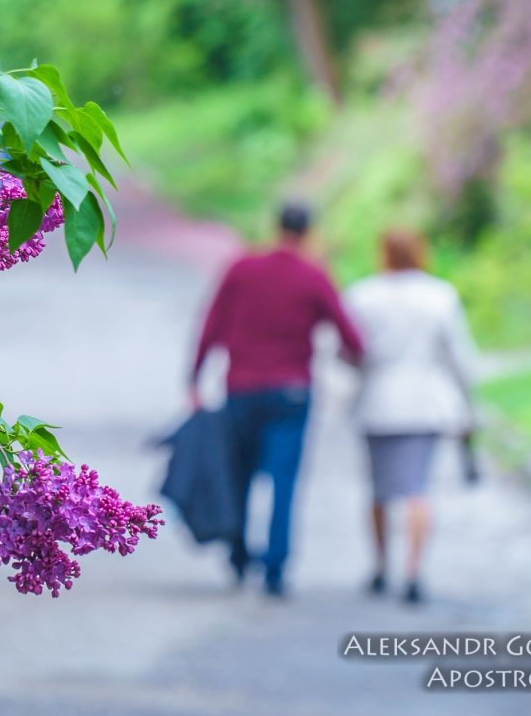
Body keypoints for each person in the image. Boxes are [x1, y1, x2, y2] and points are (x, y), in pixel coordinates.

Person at [190, 203, 363, 597]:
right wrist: (351, 357)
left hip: (241, 388)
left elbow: (212, 323)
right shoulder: (313, 275)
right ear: (309, 231)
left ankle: (238, 555)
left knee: (240, 474)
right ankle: (275, 569)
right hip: (291, 391)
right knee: (284, 482)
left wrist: (195, 377)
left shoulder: (241, 268)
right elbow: (350, 337)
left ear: (277, 226)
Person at [344, 229, 477, 605]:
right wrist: (468, 403)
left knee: (379, 489)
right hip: (425, 403)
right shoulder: (439, 296)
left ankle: (382, 565)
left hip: (377, 402)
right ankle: (414, 571)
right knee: (417, 489)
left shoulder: (363, 295)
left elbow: (349, 351)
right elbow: (459, 356)